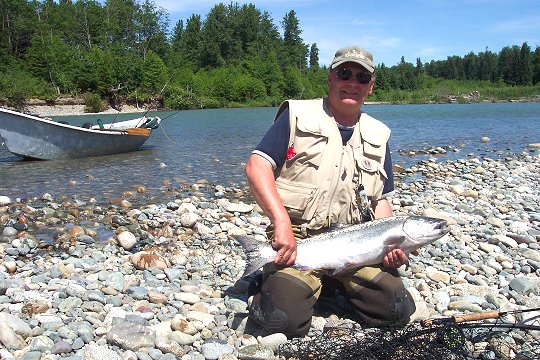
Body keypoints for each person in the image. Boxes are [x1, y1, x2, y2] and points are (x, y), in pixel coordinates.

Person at [244, 45, 416, 337]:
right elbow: (256, 166)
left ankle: (332, 281)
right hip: (297, 240)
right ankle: (272, 279)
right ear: (330, 79)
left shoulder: (379, 135)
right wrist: (281, 222)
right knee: (283, 322)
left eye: (362, 78)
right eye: (345, 73)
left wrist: (392, 246)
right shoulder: (296, 116)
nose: (353, 82)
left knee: (397, 309)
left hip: (355, 242)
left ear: (371, 87)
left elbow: (380, 200)